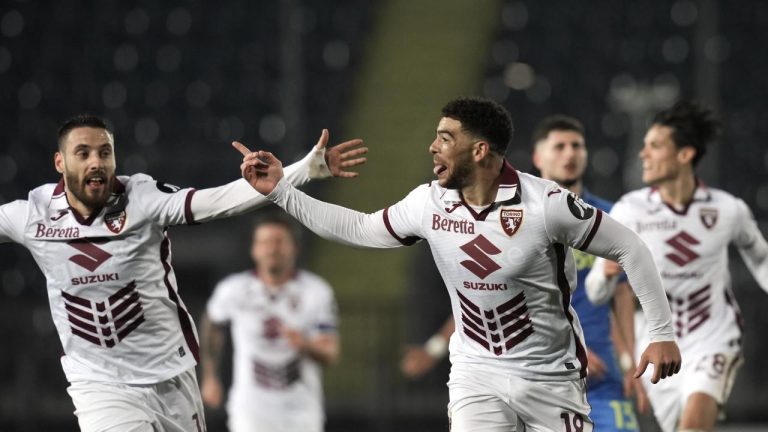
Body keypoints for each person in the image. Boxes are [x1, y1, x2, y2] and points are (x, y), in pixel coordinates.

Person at [239, 97, 682, 431]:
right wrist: (282, 192)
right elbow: (358, 228)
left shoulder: (547, 205)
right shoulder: (428, 204)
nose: (433, 146)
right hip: (477, 372)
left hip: (550, 376)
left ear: (479, 150)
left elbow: (631, 248)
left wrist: (660, 333)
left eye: (446, 138)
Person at [0, 114, 365, 432]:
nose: (96, 162)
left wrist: (305, 169)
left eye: (104, 152)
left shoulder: (142, 198)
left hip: (169, 373)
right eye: (83, 153)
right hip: (99, 380)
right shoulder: (32, 214)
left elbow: (216, 202)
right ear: (60, 162)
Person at [401, 115, 648, 431]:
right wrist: (434, 350)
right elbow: (481, 297)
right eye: (559, 147)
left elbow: (620, 295)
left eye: (577, 146)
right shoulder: (512, 215)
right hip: (533, 371)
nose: (569, 154)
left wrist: (629, 364)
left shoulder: (607, 217)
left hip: (603, 376)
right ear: (538, 157)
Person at [586, 100, 768, 432]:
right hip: (657, 344)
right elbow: (596, 293)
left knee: (693, 427)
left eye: (654, 146)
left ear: (685, 155)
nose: (644, 154)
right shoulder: (630, 210)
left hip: (713, 336)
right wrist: (605, 276)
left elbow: (762, 260)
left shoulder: (729, 209)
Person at [199, 213, 339, 432]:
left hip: (301, 412)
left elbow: (330, 354)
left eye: (279, 241)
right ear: (254, 249)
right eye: (265, 242)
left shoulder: (316, 291)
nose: (272, 249)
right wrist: (210, 376)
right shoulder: (234, 290)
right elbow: (213, 323)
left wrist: (305, 344)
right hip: (250, 411)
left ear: (295, 248)